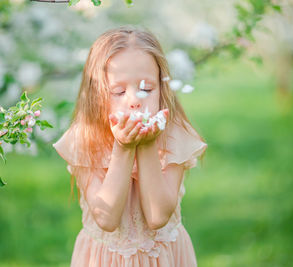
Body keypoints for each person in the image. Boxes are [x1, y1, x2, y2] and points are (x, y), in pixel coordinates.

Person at [53, 25, 208, 267]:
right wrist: (124, 148)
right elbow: (107, 218)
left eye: (146, 89)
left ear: (162, 87)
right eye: (118, 91)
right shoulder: (86, 138)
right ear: (96, 94)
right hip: (103, 259)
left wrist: (146, 145)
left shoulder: (174, 135)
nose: (134, 100)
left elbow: (158, 217)